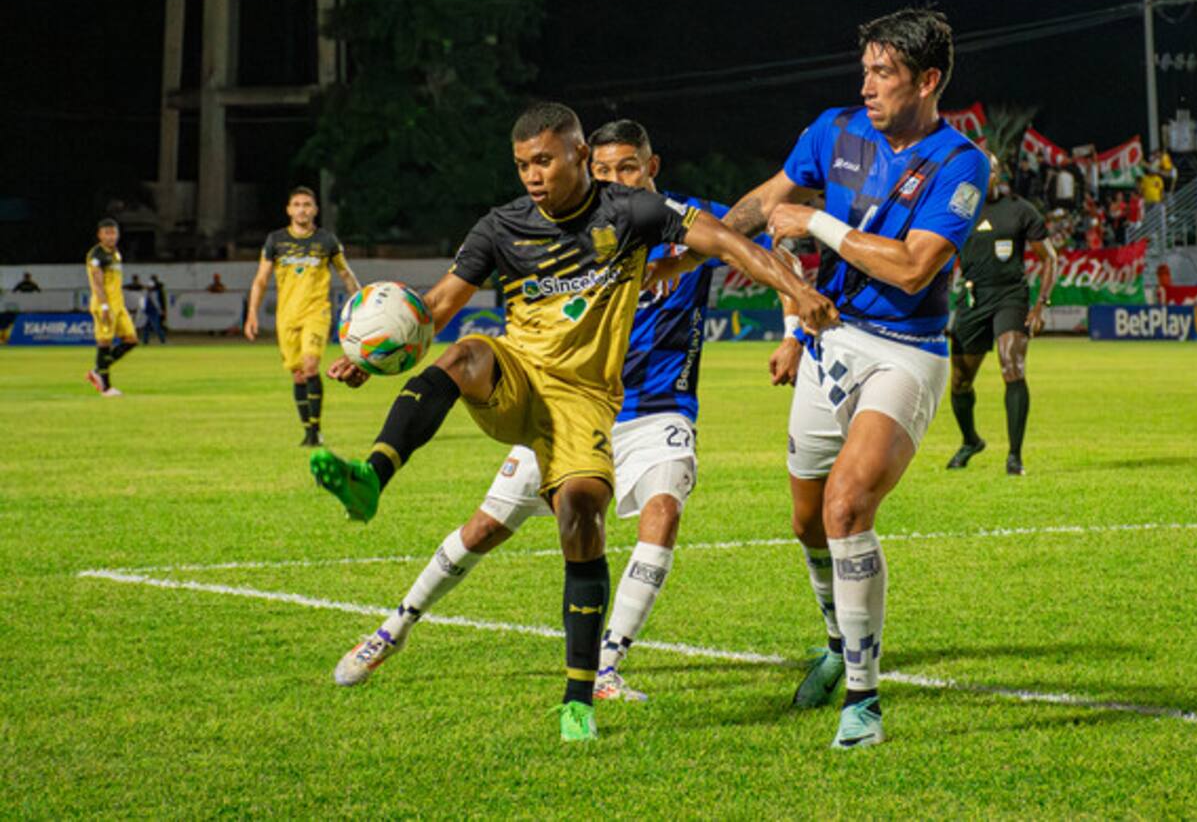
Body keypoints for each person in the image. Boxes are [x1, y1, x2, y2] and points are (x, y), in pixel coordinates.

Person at [309, 102, 837, 742]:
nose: (532, 176)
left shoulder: (636, 213)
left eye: (544, 161)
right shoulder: (499, 226)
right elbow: (440, 306)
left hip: (586, 401)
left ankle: (580, 695)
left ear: (580, 157)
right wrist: (379, 355)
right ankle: (373, 476)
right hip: (518, 375)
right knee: (468, 354)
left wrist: (797, 293)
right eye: (522, 164)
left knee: (581, 515)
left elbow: (729, 242)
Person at [732, 7, 991, 749]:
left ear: (928, 80)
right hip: (826, 340)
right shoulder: (833, 131)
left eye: (885, 72)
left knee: (848, 506)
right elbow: (762, 203)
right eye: (866, 69)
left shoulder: (960, 162)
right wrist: (694, 246)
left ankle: (864, 700)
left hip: (905, 351)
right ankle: (836, 639)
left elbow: (913, 268)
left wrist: (811, 225)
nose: (868, 85)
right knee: (808, 521)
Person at [946, 152, 1057, 476]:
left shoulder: (1020, 210)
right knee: (960, 382)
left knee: (1012, 366)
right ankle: (970, 441)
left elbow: (1050, 258)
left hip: (1010, 296)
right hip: (972, 298)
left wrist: (1041, 305)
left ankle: (1014, 457)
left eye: (988, 171)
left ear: (998, 174)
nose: (983, 176)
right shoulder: (958, 210)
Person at [244, 187, 361, 446]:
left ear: (315, 210)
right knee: (298, 375)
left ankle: (316, 429)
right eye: (297, 204)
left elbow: (345, 274)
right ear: (288, 210)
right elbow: (261, 280)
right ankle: (308, 432)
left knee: (310, 366)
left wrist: (363, 304)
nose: (302, 209)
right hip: (286, 316)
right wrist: (252, 313)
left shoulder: (326, 241)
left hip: (316, 312)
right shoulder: (275, 241)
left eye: (307, 204)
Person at [85, 218, 138, 397]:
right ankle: (106, 388)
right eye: (107, 233)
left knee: (131, 340)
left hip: (118, 304)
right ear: (99, 235)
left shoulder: (115, 253)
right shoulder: (96, 255)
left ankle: (97, 370)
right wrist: (105, 306)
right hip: (104, 305)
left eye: (113, 232)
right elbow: (98, 283)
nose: (111, 236)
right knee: (105, 342)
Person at [140, 274, 168, 345]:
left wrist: (163, 310)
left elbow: (162, 300)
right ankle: (145, 341)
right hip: (150, 311)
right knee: (147, 327)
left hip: (154, 311)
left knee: (156, 327)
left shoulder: (158, 290)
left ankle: (163, 340)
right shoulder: (152, 291)